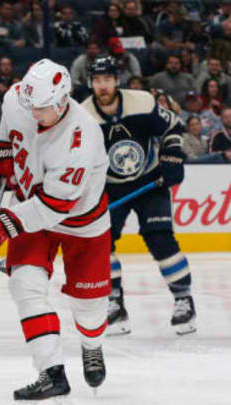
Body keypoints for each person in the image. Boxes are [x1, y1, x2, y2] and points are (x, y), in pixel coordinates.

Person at [0, 59, 110, 400]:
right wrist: (3, 156)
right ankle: (51, 372)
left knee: (89, 308)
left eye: (43, 108)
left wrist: (1, 224)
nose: (34, 114)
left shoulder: (82, 137)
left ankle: (92, 345)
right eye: (30, 106)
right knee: (24, 285)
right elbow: (8, 125)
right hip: (31, 208)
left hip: (80, 221)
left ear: (63, 100)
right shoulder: (20, 99)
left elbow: (53, 207)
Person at [82, 56, 196, 336]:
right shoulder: (83, 116)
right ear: (91, 83)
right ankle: (114, 303)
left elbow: (172, 127)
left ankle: (184, 300)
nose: (103, 86)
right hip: (110, 187)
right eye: (97, 81)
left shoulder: (142, 102)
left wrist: (171, 157)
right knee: (101, 243)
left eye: (107, 79)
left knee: (159, 238)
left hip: (150, 180)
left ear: (116, 80)